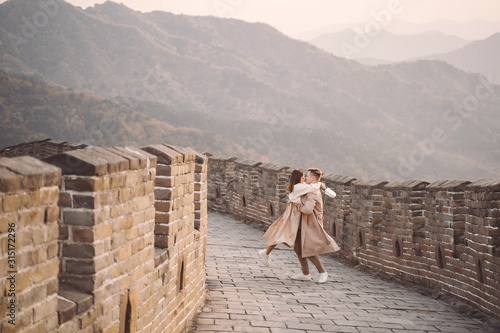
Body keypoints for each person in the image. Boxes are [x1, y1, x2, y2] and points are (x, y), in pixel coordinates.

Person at [258, 169, 323, 267]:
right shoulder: (298, 187)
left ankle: (266, 252)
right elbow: (311, 187)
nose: (305, 178)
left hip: (293, 214)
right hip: (294, 215)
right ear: (299, 178)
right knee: (282, 234)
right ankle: (265, 252)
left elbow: (309, 187)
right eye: (303, 176)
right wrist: (320, 184)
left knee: (281, 233)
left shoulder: (298, 187)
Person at [291, 168, 340, 283]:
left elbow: (308, 210)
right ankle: (305, 273)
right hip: (303, 222)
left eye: (307, 176)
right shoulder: (309, 188)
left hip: (311, 224)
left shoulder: (313, 192)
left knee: (308, 249)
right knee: (297, 247)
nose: (304, 178)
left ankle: (322, 272)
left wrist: (297, 205)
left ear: (313, 178)